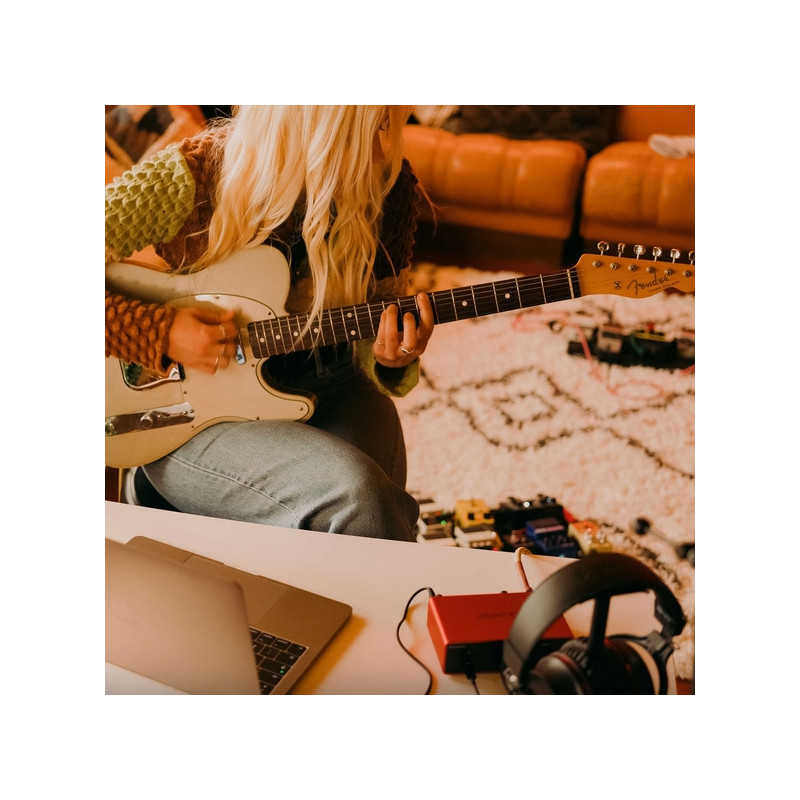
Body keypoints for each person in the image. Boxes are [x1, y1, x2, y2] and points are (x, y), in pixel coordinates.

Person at [105, 105, 434, 541]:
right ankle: (156, 491)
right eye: (371, 127)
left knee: (377, 512)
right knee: (361, 497)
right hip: (190, 415)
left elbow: (378, 314)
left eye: (388, 125)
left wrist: (391, 356)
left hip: (333, 381)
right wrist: (162, 332)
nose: (383, 149)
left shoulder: (390, 188)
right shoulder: (192, 175)